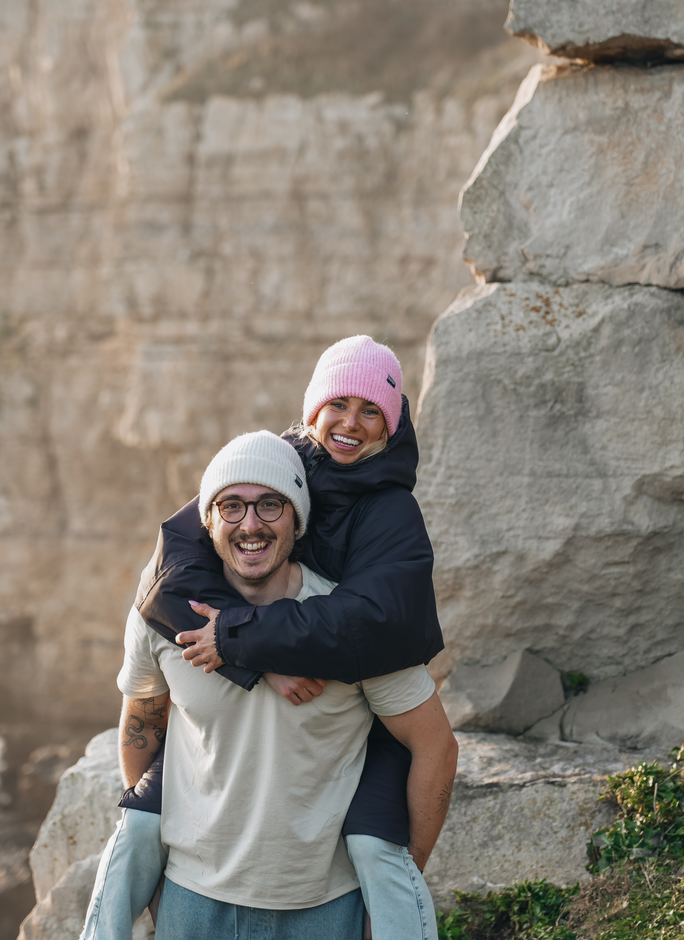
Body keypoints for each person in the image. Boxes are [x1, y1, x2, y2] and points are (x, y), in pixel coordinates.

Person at [81, 336, 450, 939]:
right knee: (139, 822)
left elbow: (378, 622)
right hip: (196, 897)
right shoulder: (273, 462)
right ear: (309, 413)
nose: (350, 423)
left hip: (325, 882)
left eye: (370, 411)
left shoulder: (391, 513)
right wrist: (248, 651)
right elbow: (173, 565)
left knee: (378, 846)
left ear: (391, 426)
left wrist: (252, 639)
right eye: (337, 404)